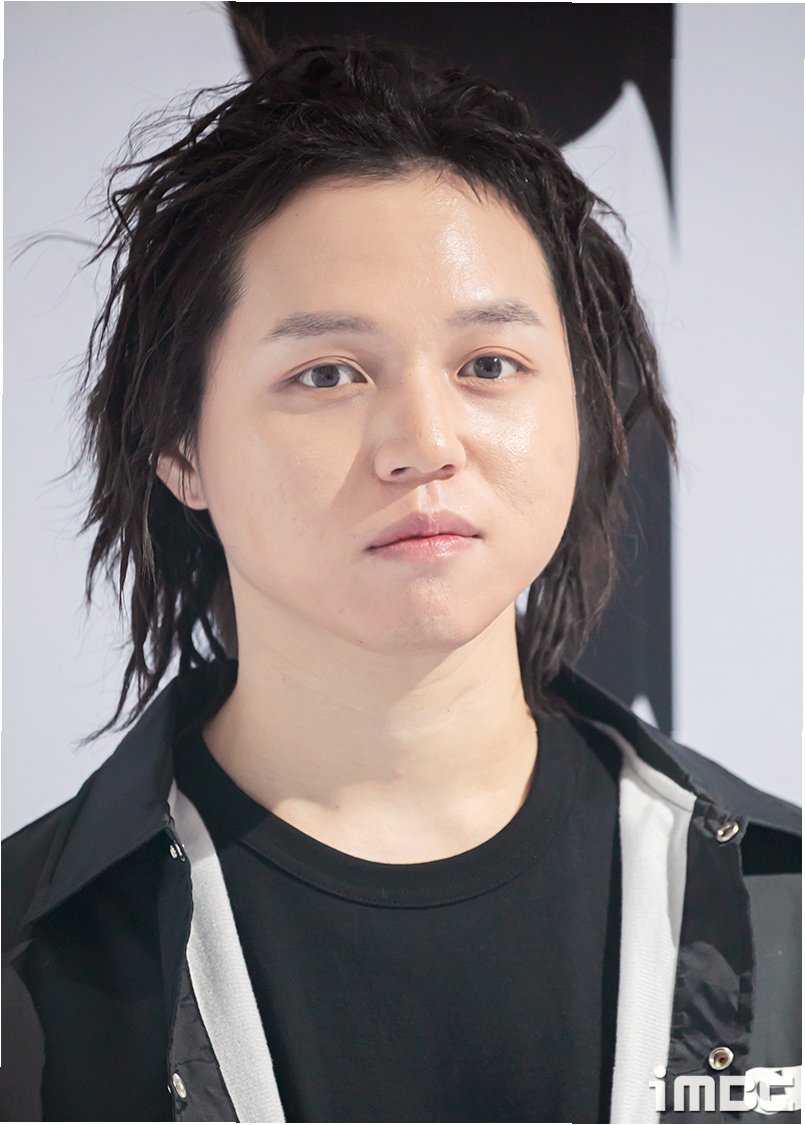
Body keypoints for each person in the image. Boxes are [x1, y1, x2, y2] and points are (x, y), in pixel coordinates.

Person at [2, 29, 800, 1125]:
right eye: (327, 373)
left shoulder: (778, 901)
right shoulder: (28, 955)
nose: (423, 442)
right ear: (179, 446)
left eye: (488, 365)